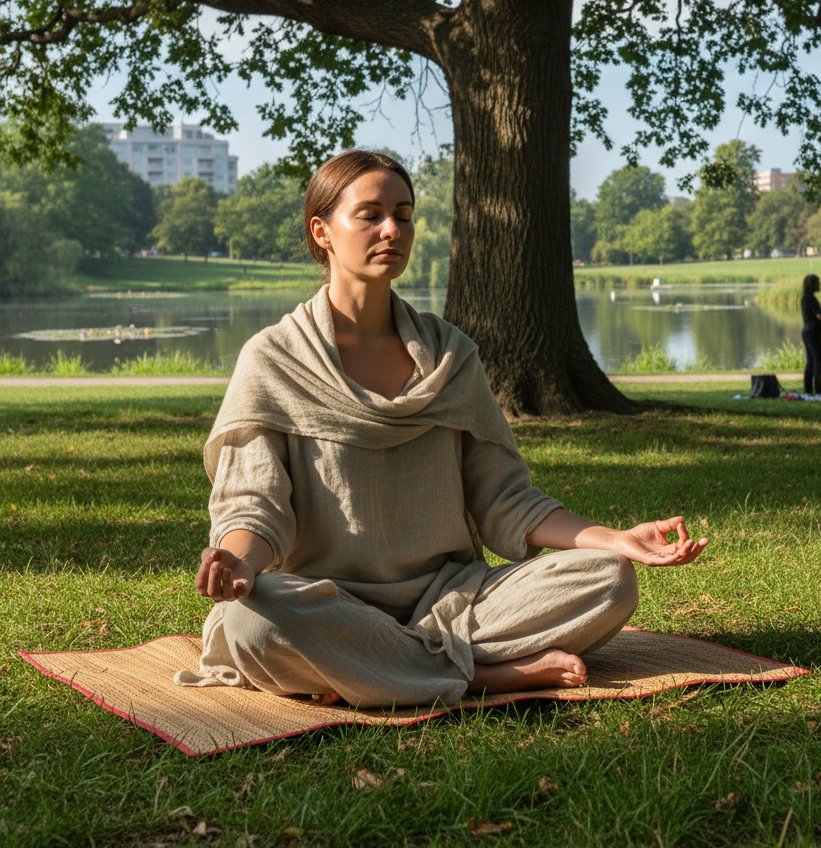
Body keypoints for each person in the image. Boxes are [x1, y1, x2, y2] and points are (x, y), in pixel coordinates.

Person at [175, 149, 708, 709]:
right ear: (322, 231)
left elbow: (505, 500)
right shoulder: (273, 359)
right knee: (250, 620)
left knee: (610, 579)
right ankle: (480, 676)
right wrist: (238, 563)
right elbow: (254, 507)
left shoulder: (450, 355)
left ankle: (372, 670)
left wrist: (615, 539)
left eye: (403, 214)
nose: (392, 230)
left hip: (452, 600)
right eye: (371, 214)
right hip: (328, 602)